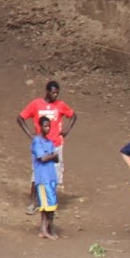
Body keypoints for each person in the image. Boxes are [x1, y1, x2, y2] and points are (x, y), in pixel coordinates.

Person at [16, 80, 77, 213]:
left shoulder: (60, 105)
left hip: (56, 145)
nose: (55, 95)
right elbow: (20, 118)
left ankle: (50, 203)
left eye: (57, 93)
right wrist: (31, 135)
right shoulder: (36, 104)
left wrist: (67, 130)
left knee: (54, 175)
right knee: (36, 174)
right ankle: (34, 203)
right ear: (47, 91)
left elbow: (73, 115)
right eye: (53, 93)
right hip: (40, 146)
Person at [31, 117, 60, 239]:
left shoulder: (49, 142)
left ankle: (46, 229)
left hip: (51, 177)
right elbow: (42, 158)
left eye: (49, 126)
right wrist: (52, 155)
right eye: (45, 126)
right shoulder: (37, 141)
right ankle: (44, 230)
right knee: (44, 206)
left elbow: (57, 159)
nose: (47, 128)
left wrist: (51, 156)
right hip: (43, 178)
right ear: (40, 127)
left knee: (51, 205)